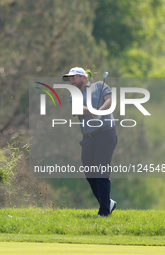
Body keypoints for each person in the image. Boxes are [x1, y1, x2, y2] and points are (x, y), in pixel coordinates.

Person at [63, 67, 118, 218]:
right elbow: (78, 108)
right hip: (87, 138)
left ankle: (104, 212)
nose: (71, 81)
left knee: (101, 172)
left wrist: (99, 111)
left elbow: (110, 101)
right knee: (90, 175)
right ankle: (108, 202)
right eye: (70, 79)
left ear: (84, 78)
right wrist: (92, 111)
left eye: (74, 78)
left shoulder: (100, 86)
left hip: (105, 134)